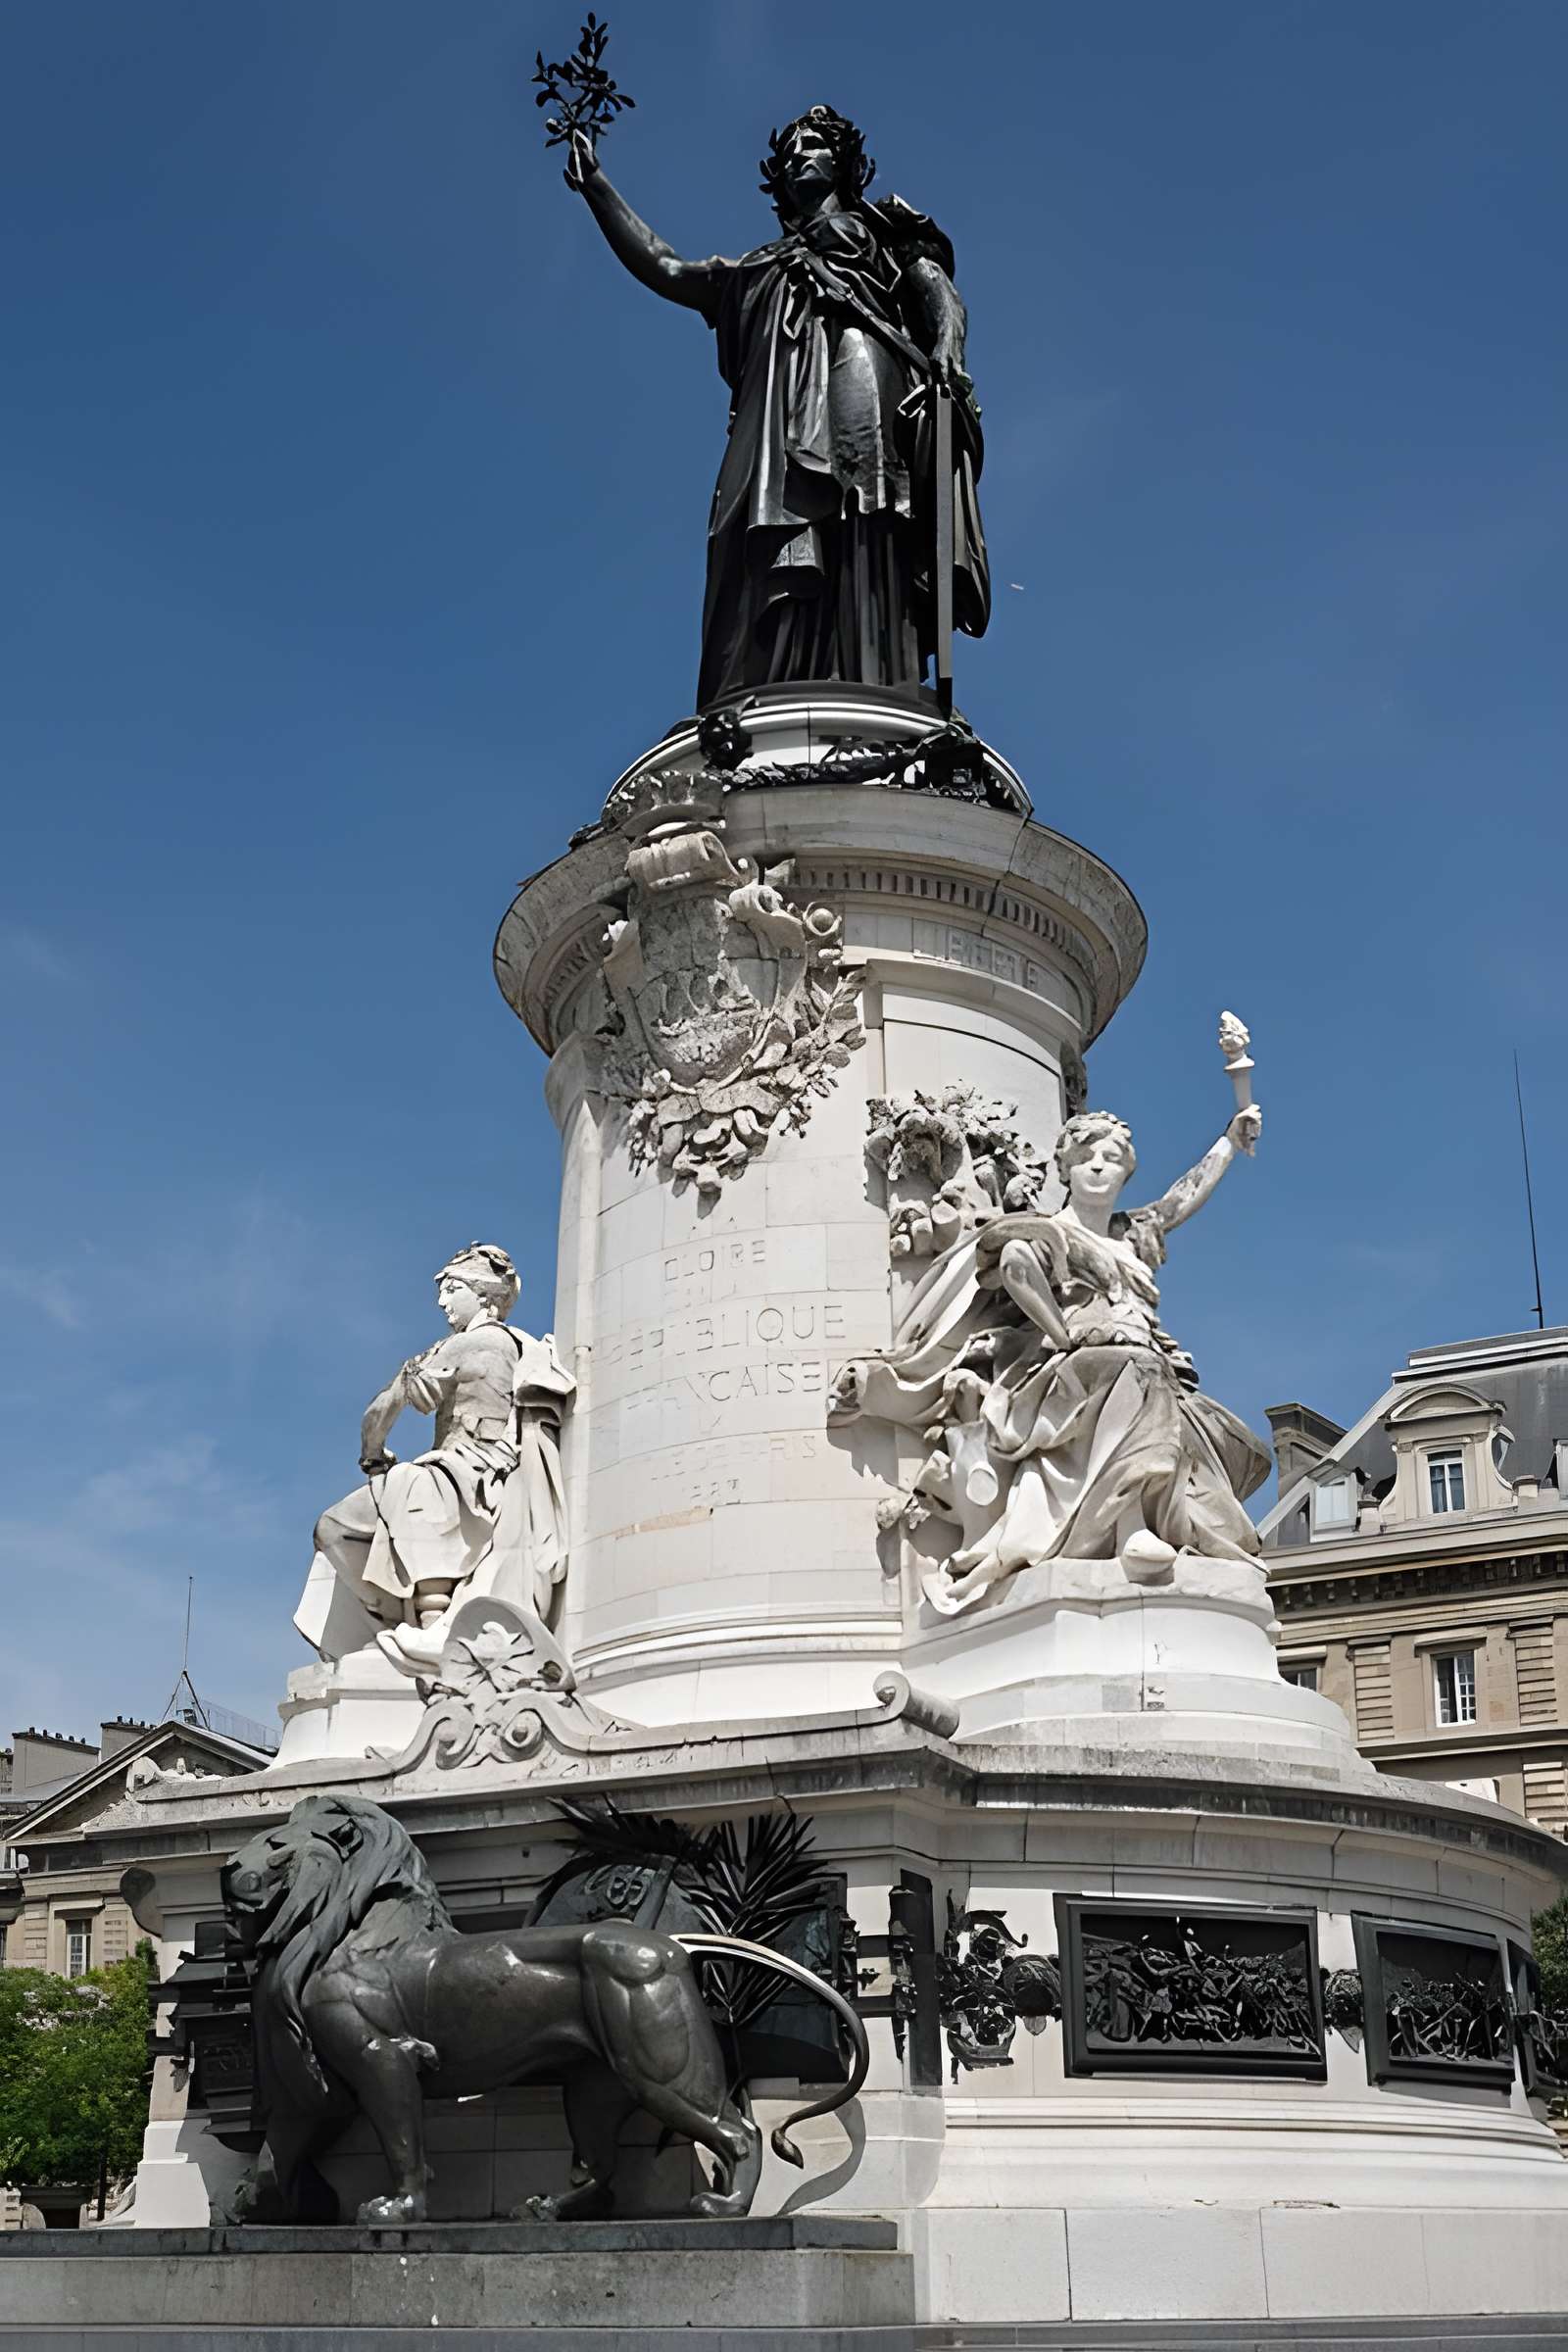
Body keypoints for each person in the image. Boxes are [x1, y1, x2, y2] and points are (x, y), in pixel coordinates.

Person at [564, 103, 990, 706]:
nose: (797, 155)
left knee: (865, 505)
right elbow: (669, 269)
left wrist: (949, 345)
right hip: (777, 411)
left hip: (859, 362)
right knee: (753, 528)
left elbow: (936, 291)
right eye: (788, 149)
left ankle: (877, 680)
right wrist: (598, 188)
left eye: (812, 143)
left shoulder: (883, 229)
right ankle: (777, 686)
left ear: (844, 162)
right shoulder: (761, 268)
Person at [831, 1104, 1269, 1613]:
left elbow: (1181, 1200)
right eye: (1087, 1156)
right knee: (1136, 1375)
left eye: (1112, 1157)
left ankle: (1158, 1529)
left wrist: (1230, 1139)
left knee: (1210, 1427)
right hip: (1069, 1364)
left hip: (1143, 1363)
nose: (1100, 1165)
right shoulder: (1049, 1231)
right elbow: (1015, 1267)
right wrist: (1063, 1337)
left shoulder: (1131, 1234)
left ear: (1127, 1171)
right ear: (1065, 1168)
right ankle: (1128, 1528)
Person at [294, 1244, 574, 1673]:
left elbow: (381, 1412)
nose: (443, 1301)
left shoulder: (466, 1345)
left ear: (482, 1295)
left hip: (460, 1472)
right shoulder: (521, 1346)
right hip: (494, 1471)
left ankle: (395, 1624)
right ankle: (407, 1620)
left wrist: (373, 1457)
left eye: (451, 1289)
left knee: (331, 1528)